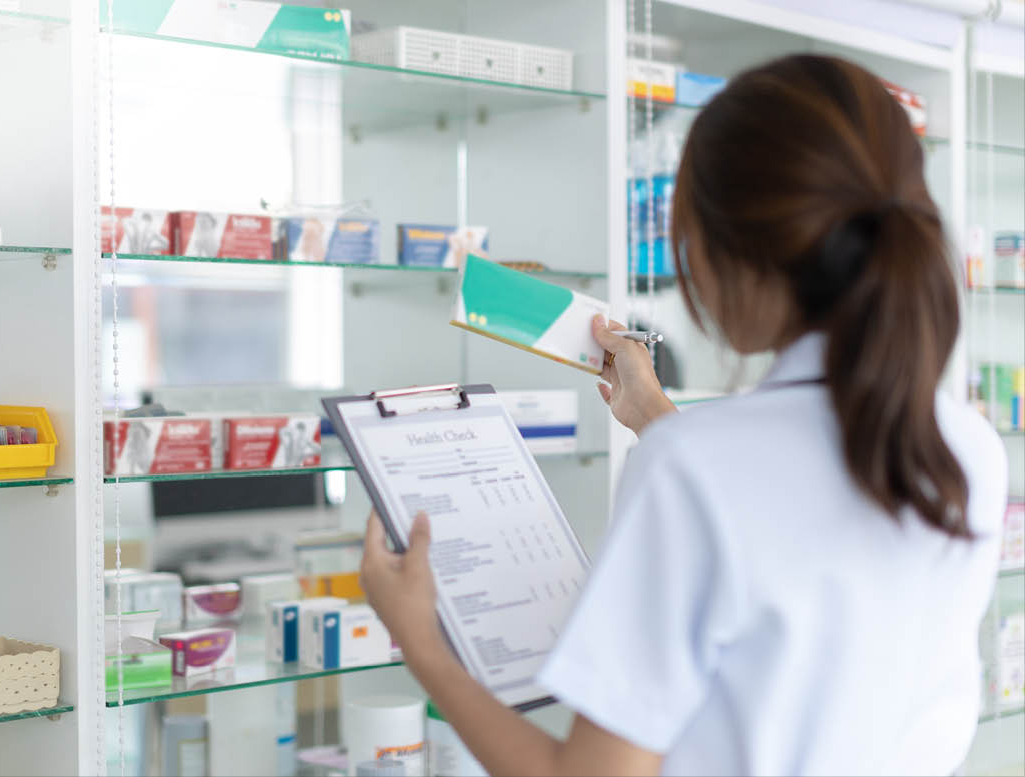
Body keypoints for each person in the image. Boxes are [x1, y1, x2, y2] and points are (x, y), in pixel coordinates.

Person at [360, 55, 1006, 776]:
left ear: (735, 251)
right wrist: (653, 411)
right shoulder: (968, 447)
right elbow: (783, 514)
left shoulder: (693, 469)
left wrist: (420, 639)